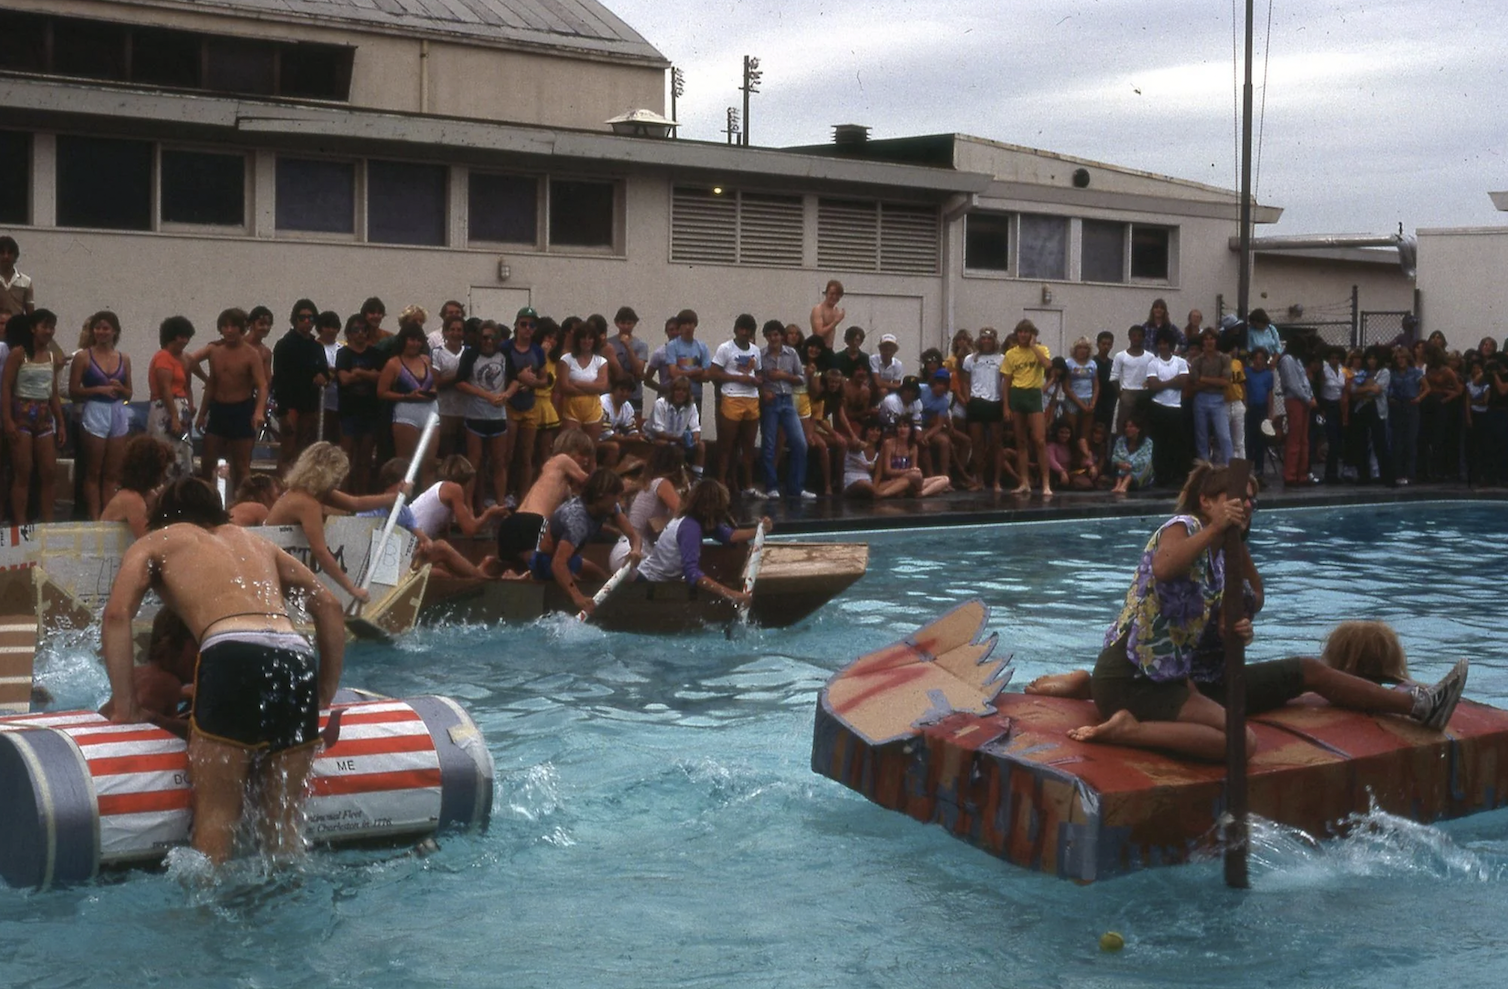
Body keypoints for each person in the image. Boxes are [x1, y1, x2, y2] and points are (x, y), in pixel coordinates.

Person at [1062, 465, 1469, 761]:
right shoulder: (1184, 526)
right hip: (1134, 678)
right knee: (1244, 742)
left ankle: (1418, 704)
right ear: (1207, 501)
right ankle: (1130, 729)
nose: (1247, 504)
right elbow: (1165, 567)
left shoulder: (1225, 557)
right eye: (1235, 498)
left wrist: (1237, 626)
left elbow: (1243, 606)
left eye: (1251, 497)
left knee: (1298, 680)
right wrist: (1215, 528)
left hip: (1182, 681)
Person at [101, 476, 345, 866]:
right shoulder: (256, 542)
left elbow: (116, 615)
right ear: (217, 511)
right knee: (283, 834)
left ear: (161, 517)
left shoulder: (157, 542)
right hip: (295, 656)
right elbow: (330, 606)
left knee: (215, 827)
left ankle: (203, 924)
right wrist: (325, 691)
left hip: (231, 652)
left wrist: (125, 707)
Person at [263, 443, 404, 603]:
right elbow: (321, 553)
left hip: (281, 560)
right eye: (337, 479)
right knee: (328, 605)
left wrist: (394, 497)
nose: (338, 483)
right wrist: (352, 589)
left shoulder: (310, 493)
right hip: (271, 563)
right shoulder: (306, 503)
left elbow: (355, 503)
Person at [635, 479, 768, 608]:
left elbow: (730, 536)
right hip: (649, 582)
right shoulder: (690, 528)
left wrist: (760, 529)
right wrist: (731, 595)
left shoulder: (697, 520)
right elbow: (692, 573)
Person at [529, 468, 642, 615]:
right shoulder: (576, 520)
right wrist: (577, 597)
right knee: (575, 590)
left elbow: (634, 535)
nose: (618, 501)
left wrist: (636, 550)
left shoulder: (610, 506)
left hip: (569, 557)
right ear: (601, 496)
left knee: (602, 577)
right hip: (546, 562)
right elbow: (558, 564)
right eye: (615, 496)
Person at [492, 429, 594, 573]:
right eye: (582, 454)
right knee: (557, 568)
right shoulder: (561, 460)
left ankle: (491, 566)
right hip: (531, 523)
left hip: (511, 524)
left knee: (518, 569)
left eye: (588, 456)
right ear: (571, 449)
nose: (586, 460)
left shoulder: (559, 484)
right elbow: (592, 484)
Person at [196, 308, 268, 497]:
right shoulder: (215, 351)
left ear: (242, 329)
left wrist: (259, 411)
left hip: (241, 409)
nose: (229, 330)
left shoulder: (251, 354)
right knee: (208, 461)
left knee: (241, 465)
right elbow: (206, 378)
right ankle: (204, 500)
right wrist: (202, 414)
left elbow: (262, 385)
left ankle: (241, 504)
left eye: (233, 326)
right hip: (219, 409)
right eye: (225, 326)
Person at [70, 310, 133, 519]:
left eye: (105, 328)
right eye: (97, 328)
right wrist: (97, 390)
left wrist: (121, 389)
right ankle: (95, 517)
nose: (101, 332)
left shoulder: (123, 358)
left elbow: (129, 393)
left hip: (117, 411)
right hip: (95, 409)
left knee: (112, 473)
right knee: (93, 471)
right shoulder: (82, 357)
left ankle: (108, 517)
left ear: (114, 331)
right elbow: (73, 392)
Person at [2, 311, 65, 521]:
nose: (48, 331)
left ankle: (48, 522)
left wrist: (61, 423)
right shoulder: (19, 354)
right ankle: (20, 524)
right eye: (44, 326)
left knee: (49, 471)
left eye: (52, 327)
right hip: (22, 414)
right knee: (23, 472)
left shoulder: (51, 357)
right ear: (33, 328)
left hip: (44, 415)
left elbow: (53, 393)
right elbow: (6, 387)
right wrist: (8, 420)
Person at [454, 321, 519, 509]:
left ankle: (499, 504)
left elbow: (515, 380)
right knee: (475, 462)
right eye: (484, 337)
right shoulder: (471, 354)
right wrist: (486, 396)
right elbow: (460, 382)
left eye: (492, 337)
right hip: (476, 414)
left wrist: (506, 394)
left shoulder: (504, 354)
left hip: (498, 415)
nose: (488, 341)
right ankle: (470, 505)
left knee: (499, 461)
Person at [377, 323, 439, 487]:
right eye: (411, 340)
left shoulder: (426, 360)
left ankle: (427, 506)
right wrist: (405, 395)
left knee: (429, 464)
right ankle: (402, 504)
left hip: (430, 412)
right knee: (405, 466)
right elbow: (381, 392)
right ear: (403, 341)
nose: (415, 344)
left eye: (418, 340)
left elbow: (433, 383)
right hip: (406, 414)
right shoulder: (394, 363)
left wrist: (431, 391)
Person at [272, 299, 329, 473]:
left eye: (311, 318)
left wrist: (323, 377)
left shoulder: (316, 346)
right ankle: (282, 490)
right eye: (302, 317)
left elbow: (325, 372)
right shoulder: (284, 345)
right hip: (290, 405)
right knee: (288, 452)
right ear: (295, 319)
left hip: (310, 405)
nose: (307, 322)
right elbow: (279, 379)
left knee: (304, 452)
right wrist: (283, 412)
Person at [710, 313, 763, 496]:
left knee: (748, 445)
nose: (744, 333)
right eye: (741, 329)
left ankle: (747, 486)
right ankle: (721, 484)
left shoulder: (755, 350)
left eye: (748, 330)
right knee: (726, 444)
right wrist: (737, 378)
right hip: (731, 397)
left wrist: (757, 381)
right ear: (735, 329)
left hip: (752, 398)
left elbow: (760, 374)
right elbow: (714, 373)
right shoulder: (725, 348)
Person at [757, 319, 809, 500]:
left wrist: (783, 375)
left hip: (787, 400)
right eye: (770, 335)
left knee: (800, 443)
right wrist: (764, 391)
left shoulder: (792, 353)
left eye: (776, 334)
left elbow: (802, 379)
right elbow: (756, 380)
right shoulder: (760, 355)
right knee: (769, 445)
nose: (773, 338)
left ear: (781, 336)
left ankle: (796, 486)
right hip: (770, 403)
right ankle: (771, 485)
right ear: (765, 337)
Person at [1002, 319, 1053, 498]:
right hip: (1017, 394)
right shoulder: (1011, 354)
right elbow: (1006, 381)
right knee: (1020, 441)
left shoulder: (1041, 350)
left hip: (1033, 394)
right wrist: (1006, 406)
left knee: (1039, 440)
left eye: (1026, 332)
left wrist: (1033, 347)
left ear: (1032, 334)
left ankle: (1046, 483)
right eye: (1020, 332)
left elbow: (1047, 366)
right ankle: (1024, 481)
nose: (1023, 335)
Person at [147, 315, 196, 477]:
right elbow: (165, 388)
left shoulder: (183, 358)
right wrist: (174, 416)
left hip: (181, 407)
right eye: (180, 337)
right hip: (165, 408)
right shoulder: (163, 357)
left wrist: (190, 404)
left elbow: (187, 385)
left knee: (184, 452)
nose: (184, 341)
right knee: (166, 452)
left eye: (186, 337)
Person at [101, 435, 174, 537]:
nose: (165, 475)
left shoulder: (145, 495)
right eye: (163, 471)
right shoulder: (132, 500)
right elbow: (148, 540)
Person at [960, 326, 1006, 491]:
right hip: (977, 402)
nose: (986, 341)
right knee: (977, 444)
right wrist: (967, 399)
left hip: (995, 402)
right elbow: (964, 380)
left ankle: (996, 481)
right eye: (984, 338)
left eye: (989, 338)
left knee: (996, 444)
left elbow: (1005, 382)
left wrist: (1004, 403)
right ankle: (979, 480)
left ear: (994, 341)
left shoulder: (1002, 359)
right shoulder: (970, 359)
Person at [1144, 326, 1190, 487]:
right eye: (1160, 343)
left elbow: (1183, 382)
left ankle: (1176, 475)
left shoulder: (1181, 362)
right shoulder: (1153, 363)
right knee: (1159, 443)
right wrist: (1173, 382)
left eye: (1166, 343)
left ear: (1171, 345)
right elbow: (1153, 386)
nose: (1163, 346)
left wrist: (1163, 383)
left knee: (1176, 443)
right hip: (1158, 407)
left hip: (1175, 407)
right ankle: (1161, 475)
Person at [1187, 327, 1233, 467]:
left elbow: (1225, 382)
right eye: (1206, 339)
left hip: (1218, 399)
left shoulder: (1224, 358)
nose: (1209, 342)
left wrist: (1204, 379)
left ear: (1216, 340)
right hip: (1201, 399)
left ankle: (1229, 466)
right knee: (1202, 437)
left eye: (1211, 338)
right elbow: (1195, 382)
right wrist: (1214, 380)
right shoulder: (1197, 361)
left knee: (1224, 435)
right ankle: (1204, 468)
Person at [558, 319, 610, 440]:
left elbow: (602, 386)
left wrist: (576, 383)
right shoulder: (566, 359)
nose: (586, 341)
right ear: (577, 340)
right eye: (583, 338)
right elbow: (564, 387)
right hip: (571, 409)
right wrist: (591, 388)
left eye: (590, 338)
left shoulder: (601, 361)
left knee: (591, 449)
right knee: (570, 447)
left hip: (593, 409)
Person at [645, 374, 705, 474]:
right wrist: (678, 440)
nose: (680, 393)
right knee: (664, 444)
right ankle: (663, 474)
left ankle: (697, 477)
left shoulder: (691, 406)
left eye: (684, 391)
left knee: (701, 446)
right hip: (654, 439)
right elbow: (658, 432)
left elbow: (695, 428)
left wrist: (694, 439)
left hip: (678, 440)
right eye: (678, 390)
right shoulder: (660, 404)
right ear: (672, 391)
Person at [878, 417, 951, 496]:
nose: (902, 429)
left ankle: (921, 493)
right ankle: (924, 490)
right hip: (893, 480)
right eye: (900, 426)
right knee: (915, 475)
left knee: (945, 479)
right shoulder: (889, 444)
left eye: (905, 426)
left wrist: (912, 473)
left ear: (910, 430)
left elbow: (914, 468)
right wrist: (908, 471)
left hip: (911, 480)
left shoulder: (913, 446)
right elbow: (887, 471)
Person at [430, 314, 468, 458]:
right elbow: (437, 382)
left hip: (467, 411)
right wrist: (459, 377)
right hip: (445, 411)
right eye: (452, 329)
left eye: (459, 330)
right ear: (445, 332)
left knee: (464, 455)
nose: (455, 333)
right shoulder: (437, 352)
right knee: (447, 454)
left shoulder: (469, 351)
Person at [1109, 324, 1153, 436]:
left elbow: (1153, 375)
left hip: (1143, 394)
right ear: (1129, 337)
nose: (1136, 338)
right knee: (1123, 425)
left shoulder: (1150, 357)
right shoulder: (1120, 356)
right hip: (1127, 392)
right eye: (1134, 335)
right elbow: (1114, 377)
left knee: (1143, 425)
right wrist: (1121, 395)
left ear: (1144, 338)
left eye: (1139, 336)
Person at [607, 306, 649, 408]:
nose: (625, 326)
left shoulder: (641, 345)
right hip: (613, 392)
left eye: (629, 323)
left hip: (634, 393)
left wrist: (627, 346)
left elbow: (638, 370)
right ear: (616, 323)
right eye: (622, 323)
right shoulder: (609, 343)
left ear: (634, 323)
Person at [1062, 336, 1099, 440]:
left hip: (1088, 399)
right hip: (1073, 400)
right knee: (1071, 431)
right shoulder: (1068, 363)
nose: (1083, 351)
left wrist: (1093, 403)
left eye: (1085, 348)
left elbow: (1096, 385)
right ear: (1075, 349)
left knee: (1085, 433)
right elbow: (1066, 387)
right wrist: (1081, 405)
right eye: (1080, 348)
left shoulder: (1092, 364)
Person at [315, 311, 342, 443]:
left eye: (334, 327)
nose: (331, 330)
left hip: (338, 401)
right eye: (328, 326)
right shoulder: (314, 347)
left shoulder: (341, 348)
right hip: (320, 403)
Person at [1109, 415, 1154, 493]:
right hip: (1122, 471)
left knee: (1143, 466)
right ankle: (1118, 485)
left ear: (1138, 429)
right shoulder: (1121, 440)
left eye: (1131, 427)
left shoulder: (1147, 442)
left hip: (1139, 475)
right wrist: (1120, 464)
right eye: (1126, 427)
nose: (1127, 429)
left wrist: (1130, 465)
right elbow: (1115, 456)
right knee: (1119, 467)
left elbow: (1145, 459)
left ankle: (1125, 484)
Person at [0, 235, 34, 317]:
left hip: (17, 328)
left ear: (15, 256)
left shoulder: (26, 281)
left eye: (9, 253)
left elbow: (31, 314)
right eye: (2, 252)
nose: (6, 256)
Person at [810, 279, 845, 352]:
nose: (834, 297)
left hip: (830, 349)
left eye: (837, 294)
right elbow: (819, 334)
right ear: (826, 293)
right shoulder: (818, 310)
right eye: (832, 294)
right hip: (818, 350)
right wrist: (836, 322)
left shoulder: (835, 310)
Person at [869, 334, 905, 399]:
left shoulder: (898, 364)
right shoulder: (873, 359)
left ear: (895, 351)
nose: (888, 352)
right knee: (883, 391)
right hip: (872, 389)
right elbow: (877, 383)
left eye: (891, 350)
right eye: (885, 349)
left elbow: (896, 386)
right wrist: (891, 384)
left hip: (889, 392)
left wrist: (882, 382)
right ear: (880, 349)